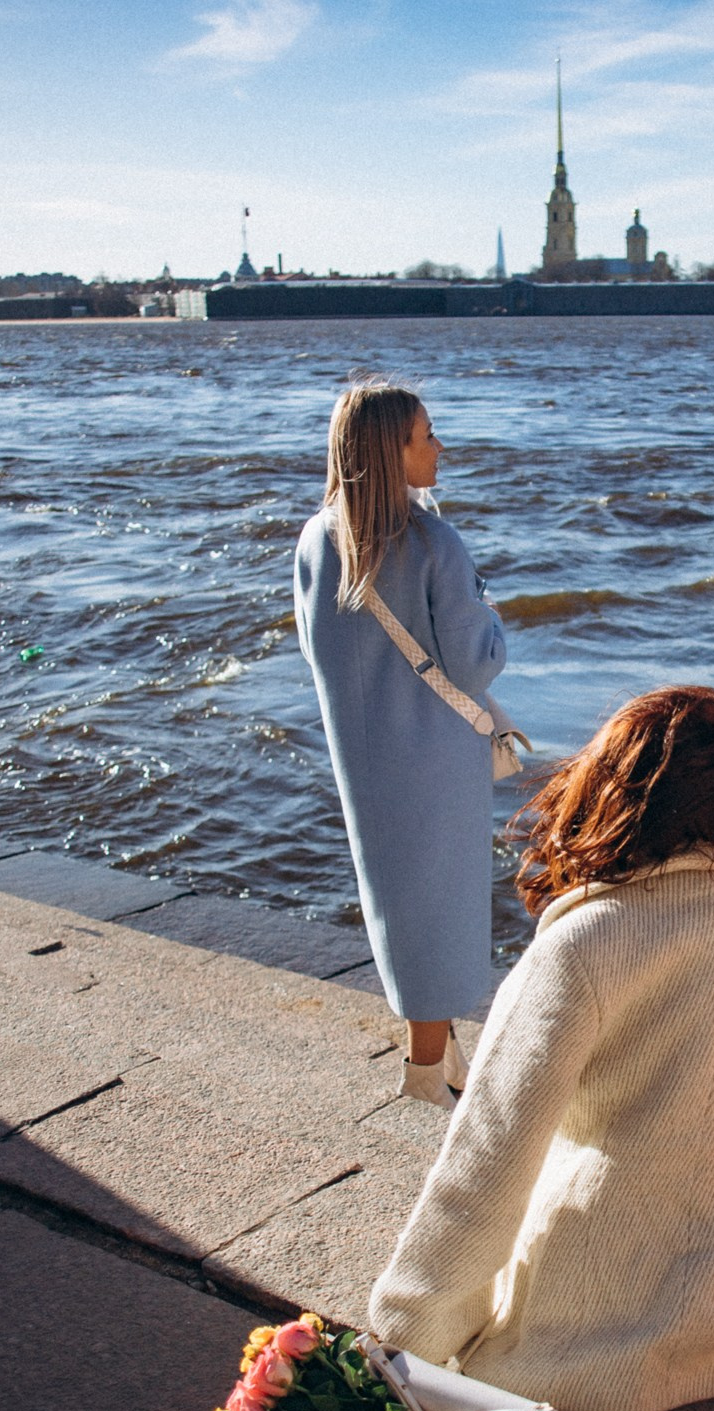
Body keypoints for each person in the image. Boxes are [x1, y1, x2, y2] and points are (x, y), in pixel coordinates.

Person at [367, 686, 714, 1411]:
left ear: (606, 798)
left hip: (595, 1321)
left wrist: (408, 1336)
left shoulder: (582, 943)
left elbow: (490, 1154)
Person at [295, 382, 505, 1104]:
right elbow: (474, 661)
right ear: (391, 449)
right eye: (426, 435)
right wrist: (490, 611)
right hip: (437, 756)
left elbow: (316, 649)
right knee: (443, 905)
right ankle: (423, 1074)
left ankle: (443, 1057)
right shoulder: (432, 542)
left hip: (364, 756)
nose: (440, 446)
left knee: (399, 901)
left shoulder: (318, 539)